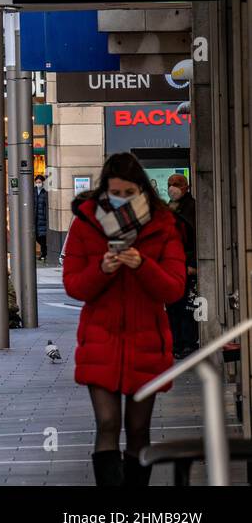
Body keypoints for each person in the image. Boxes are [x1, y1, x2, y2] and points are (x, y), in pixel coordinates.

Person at [63, 152, 187, 487]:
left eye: (129, 193)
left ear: (141, 189)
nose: (121, 199)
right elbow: (74, 285)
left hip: (146, 340)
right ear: (105, 189)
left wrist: (142, 265)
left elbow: (174, 288)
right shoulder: (87, 222)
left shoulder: (162, 225)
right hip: (100, 339)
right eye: (115, 192)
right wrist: (102, 269)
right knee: (106, 423)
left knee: (138, 428)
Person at [165, 174, 199, 357]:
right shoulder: (169, 207)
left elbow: (197, 238)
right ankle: (176, 343)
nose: (172, 188)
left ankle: (187, 343)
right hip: (172, 266)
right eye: (169, 184)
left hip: (186, 265)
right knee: (172, 307)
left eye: (176, 184)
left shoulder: (192, 208)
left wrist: (193, 263)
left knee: (187, 306)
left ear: (186, 186)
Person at [34, 175, 50, 262]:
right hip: (35, 217)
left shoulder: (45, 191)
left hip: (43, 217)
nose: (38, 184)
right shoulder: (33, 191)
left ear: (43, 182)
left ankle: (44, 253)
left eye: (39, 182)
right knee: (36, 236)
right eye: (37, 182)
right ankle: (45, 251)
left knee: (42, 236)